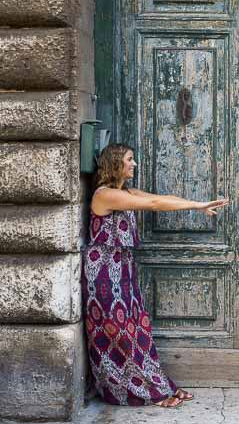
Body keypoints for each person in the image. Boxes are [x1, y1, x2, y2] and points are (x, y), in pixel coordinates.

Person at [81, 143, 228, 408]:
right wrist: (196, 204)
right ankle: (139, 392)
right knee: (118, 332)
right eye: (129, 159)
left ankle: (155, 384)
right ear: (115, 163)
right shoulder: (105, 195)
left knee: (137, 329)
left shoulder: (124, 192)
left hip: (122, 269)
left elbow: (162, 198)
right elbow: (153, 204)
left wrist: (197, 205)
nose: (133, 164)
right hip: (103, 273)